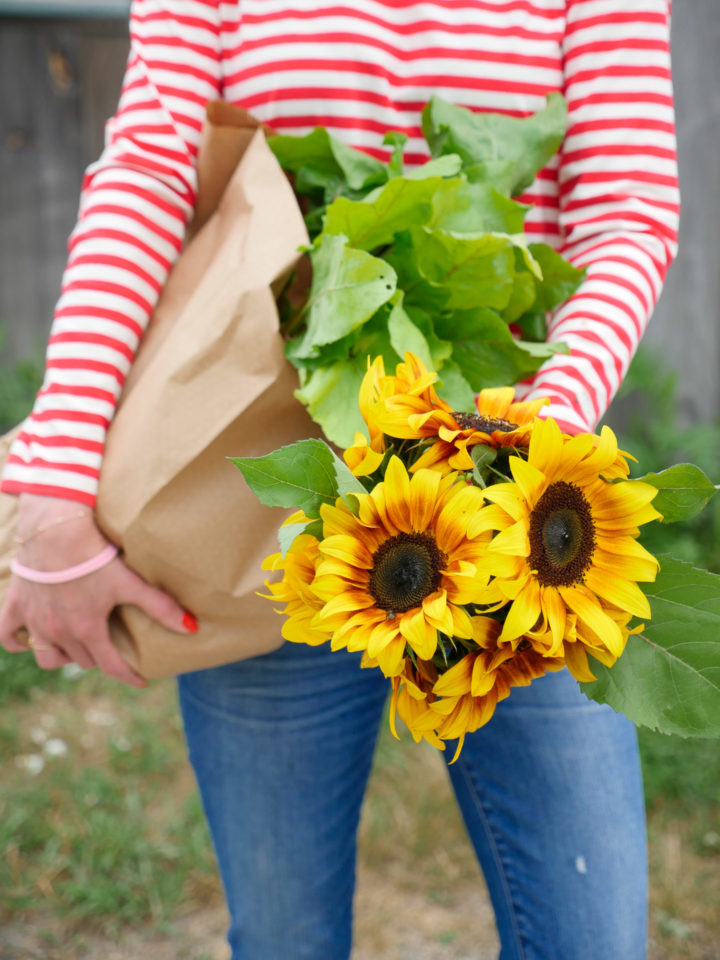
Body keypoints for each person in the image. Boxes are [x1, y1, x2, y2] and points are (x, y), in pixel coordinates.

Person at [0, 1, 679, 957]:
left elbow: (625, 209)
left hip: (513, 514)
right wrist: (58, 483)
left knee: (594, 938)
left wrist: (533, 440)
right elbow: (150, 175)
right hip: (268, 513)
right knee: (283, 936)